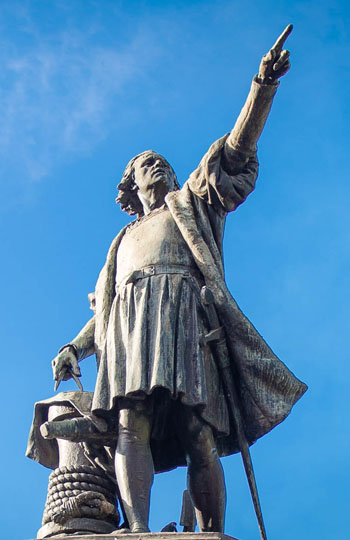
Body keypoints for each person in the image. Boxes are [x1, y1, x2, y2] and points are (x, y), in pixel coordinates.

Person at [52, 26, 307, 534]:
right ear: (133, 185)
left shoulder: (189, 203)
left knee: (199, 429)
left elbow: (234, 151)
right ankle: (139, 528)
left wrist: (263, 87)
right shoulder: (120, 243)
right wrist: (75, 349)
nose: (161, 166)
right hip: (129, 331)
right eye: (149, 164)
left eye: (163, 162)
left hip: (185, 320)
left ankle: (211, 529)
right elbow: (103, 314)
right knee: (131, 424)